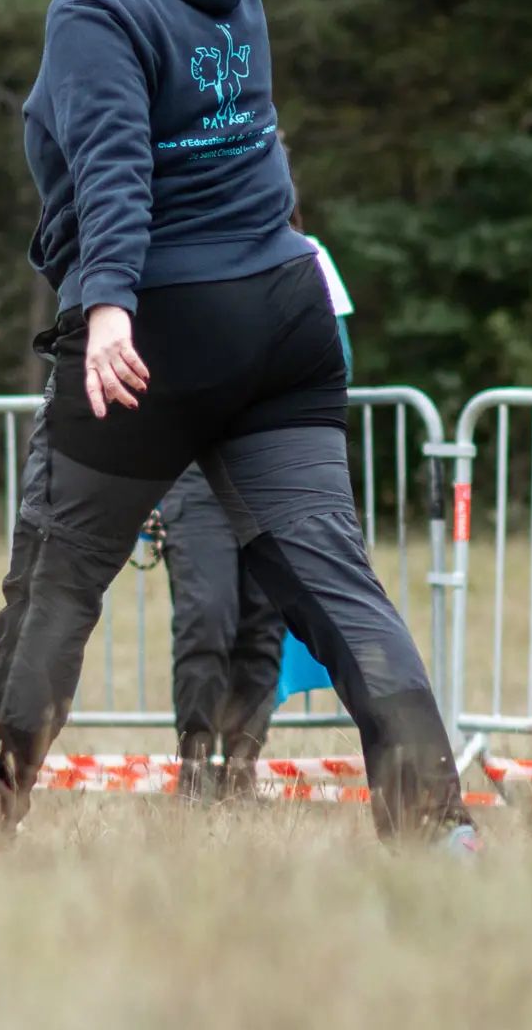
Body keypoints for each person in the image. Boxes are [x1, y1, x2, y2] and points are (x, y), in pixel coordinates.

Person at [0, 0, 476, 851]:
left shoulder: (92, 5)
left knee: (53, 582)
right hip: (284, 310)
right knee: (334, 584)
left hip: (161, 323)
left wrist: (105, 309)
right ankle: (436, 828)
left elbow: (112, 164)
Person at [154, 199, 353, 806]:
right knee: (206, 616)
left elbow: (335, 359)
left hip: (272, 465)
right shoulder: (182, 255)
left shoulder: (311, 259)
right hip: (194, 470)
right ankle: (193, 771)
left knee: (264, 624)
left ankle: (240, 770)